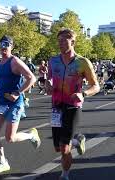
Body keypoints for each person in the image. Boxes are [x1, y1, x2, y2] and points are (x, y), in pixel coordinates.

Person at [45, 29, 100, 180]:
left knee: (64, 147)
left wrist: (83, 94)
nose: (61, 44)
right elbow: (49, 77)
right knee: (58, 147)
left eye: (64, 41)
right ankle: (78, 139)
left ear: (73, 42)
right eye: (59, 41)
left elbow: (96, 86)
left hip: (73, 105)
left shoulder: (82, 62)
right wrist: (48, 84)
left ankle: (65, 175)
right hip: (56, 105)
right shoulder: (53, 60)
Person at [0, 35, 41, 175]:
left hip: (14, 103)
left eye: (6, 44)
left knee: (10, 138)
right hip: (1, 103)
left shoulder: (15, 61)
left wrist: (18, 92)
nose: (3, 47)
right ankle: (3, 162)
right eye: (1, 44)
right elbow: (0, 84)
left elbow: (32, 78)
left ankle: (31, 135)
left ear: (11, 46)